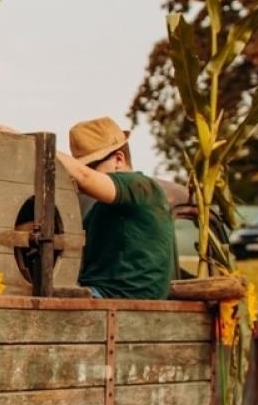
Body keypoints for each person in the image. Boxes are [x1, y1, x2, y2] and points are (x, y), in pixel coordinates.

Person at [58, 117, 176, 300]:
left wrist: (35, 146)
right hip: (99, 293)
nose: (84, 172)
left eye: (91, 166)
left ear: (119, 159)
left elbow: (84, 177)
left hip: (121, 299)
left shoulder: (140, 187)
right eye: (83, 165)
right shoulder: (100, 207)